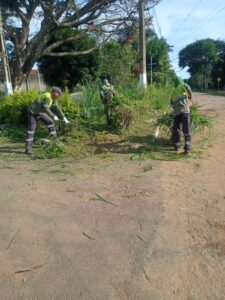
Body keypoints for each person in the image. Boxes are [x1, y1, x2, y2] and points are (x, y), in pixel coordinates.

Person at [24, 86, 69, 154]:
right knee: (31, 130)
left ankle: (54, 141)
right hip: (32, 113)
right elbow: (45, 108)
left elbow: (57, 108)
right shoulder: (48, 96)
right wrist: (53, 116)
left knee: (50, 122)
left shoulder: (53, 98)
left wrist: (64, 118)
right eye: (58, 94)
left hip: (39, 112)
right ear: (54, 92)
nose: (59, 95)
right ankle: (27, 149)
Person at [170, 78, 194, 155]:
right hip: (185, 112)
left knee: (176, 129)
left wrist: (175, 106)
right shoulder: (182, 87)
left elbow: (171, 104)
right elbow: (187, 87)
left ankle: (176, 145)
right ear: (181, 82)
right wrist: (190, 95)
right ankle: (187, 147)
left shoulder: (173, 92)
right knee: (186, 130)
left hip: (176, 113)